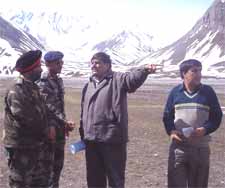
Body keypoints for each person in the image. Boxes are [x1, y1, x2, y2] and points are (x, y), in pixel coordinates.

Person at [79, 52, 157, 188]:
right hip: (91, 140)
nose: (93, 66)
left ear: (108, 65)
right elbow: (83, 111)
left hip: (111, 139)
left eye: (97, 62)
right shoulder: (88, 85)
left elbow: (132, 80)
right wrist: (82, 132)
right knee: (94, 180)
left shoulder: (118, 79)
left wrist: (144, 70)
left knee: (116, 180)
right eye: (92, 62)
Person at [162, 59, 222, 188]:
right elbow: (167, 116)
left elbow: (217, 117)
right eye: (194, 71)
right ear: (184, 73)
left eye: (200, 70)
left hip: (200, 148)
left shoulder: (208, 92)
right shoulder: (175, 92)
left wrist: (205, 130)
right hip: (179, 148)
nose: (199, 74)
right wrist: (171, 131)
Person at [3, 50, 53, 187]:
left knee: (37, 182)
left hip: (34, 145)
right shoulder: (17, 90)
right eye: (38, 67)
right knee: (21, 182)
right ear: (30, 69)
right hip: (21, 147)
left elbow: (42, 112)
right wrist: (47, 130)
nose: (41, 69)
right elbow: (26, 118)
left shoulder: (33, 88)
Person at [37, 51, 75, 188]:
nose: (61, 65)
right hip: (48, 131)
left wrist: (64, 123)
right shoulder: (42, 81)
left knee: (57, 167)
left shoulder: (58, 80)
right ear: (48, 64)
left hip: (59, 130)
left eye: (62, 62)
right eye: (58, 62)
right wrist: (61, 122)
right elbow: (48, 108)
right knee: (46, 168)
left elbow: (59, 105)